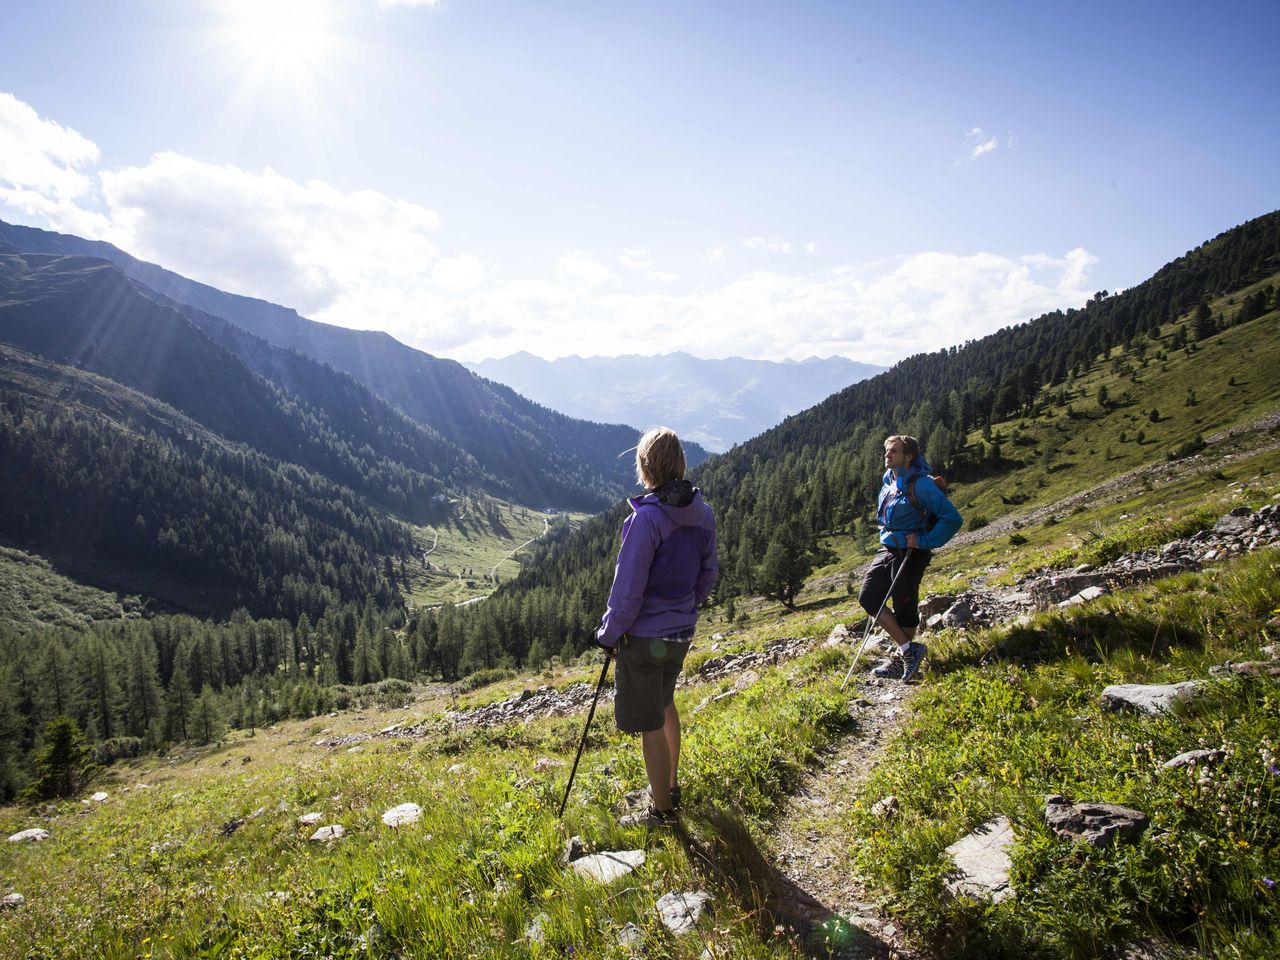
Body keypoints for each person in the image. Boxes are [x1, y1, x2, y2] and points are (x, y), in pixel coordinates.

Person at [595, 427, 717, 826]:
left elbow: (628, 591)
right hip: (681, 631)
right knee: (665, 704)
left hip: (646, 637)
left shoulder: (646, 519)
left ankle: (662, 810)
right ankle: (670, 785)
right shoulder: (703, 514)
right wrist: (686, 606)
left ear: (645, 465)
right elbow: (707, 575)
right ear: (680, 462)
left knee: (649, 722)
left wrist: (609, 634)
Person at [859, 435, 962, 682]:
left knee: (904, 607)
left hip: (911, 552)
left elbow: (953, 519)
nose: (887, 455)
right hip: (888, 547)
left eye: (894, 451)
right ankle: (909, 650)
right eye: (886, 450)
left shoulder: (922, 485)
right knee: (869, 597)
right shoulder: (889, 479)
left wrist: (924, 541)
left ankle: (901, 659)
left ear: (909, 456)